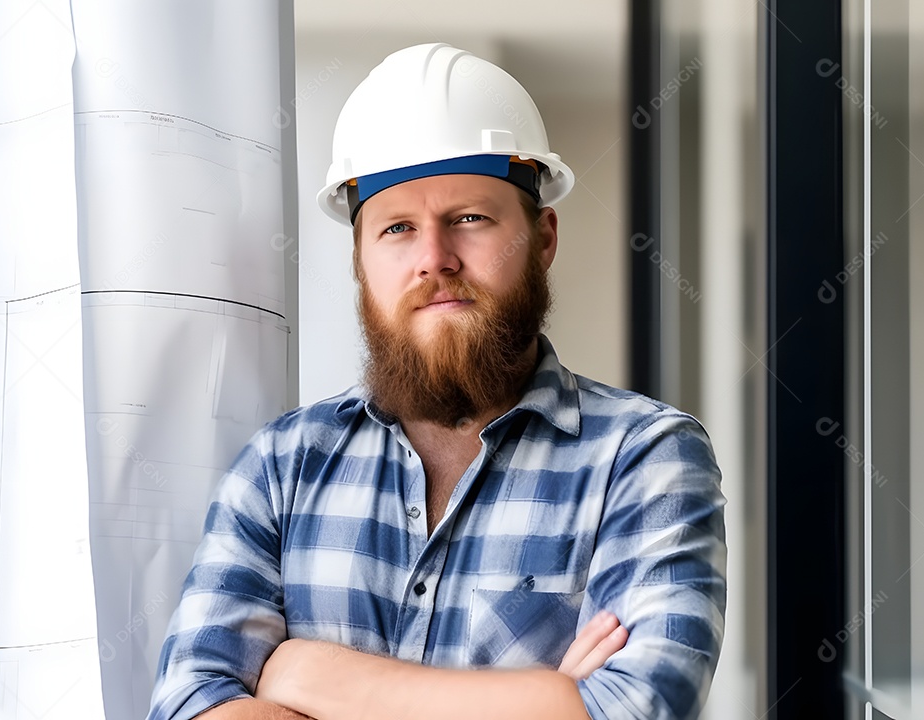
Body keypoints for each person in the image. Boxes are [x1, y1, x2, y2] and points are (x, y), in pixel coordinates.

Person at [147, 42, 726, 720]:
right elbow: (189, 703)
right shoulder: (280, 469)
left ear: (541, 239)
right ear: (362, 261)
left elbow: (637, 710)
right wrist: (546, 700)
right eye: (397, 228)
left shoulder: (646, 457)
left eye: (470, 219)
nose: (434, 259)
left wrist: (305, 674)